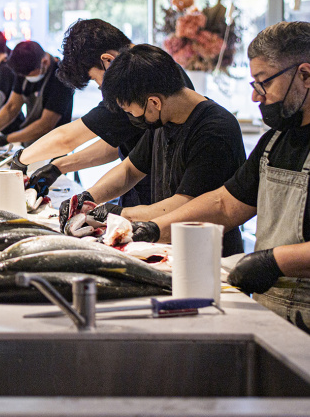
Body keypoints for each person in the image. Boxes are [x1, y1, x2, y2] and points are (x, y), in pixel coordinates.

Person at [132, 22, 310, 331]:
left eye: (263, 83)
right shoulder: (275, 142)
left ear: (305, 75)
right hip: (272, 317)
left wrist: (275, 261)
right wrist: (153, 229)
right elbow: (226, 205)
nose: (256, 97)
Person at [59, 44, 245, 257]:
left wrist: (118, 213)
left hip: (209, 258)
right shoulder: (163, 119)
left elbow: (185, 204)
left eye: (131, 112)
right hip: (169, 247)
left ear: (154, 102)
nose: (132, 118)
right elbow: (130, 169)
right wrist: (88, 197)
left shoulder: (215, 131)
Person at [22, 19, 193, 209]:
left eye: (95, 79)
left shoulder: (135, 81)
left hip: (162, 201)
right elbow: (115, 142)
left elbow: (67, 139)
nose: (101, 87)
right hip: (145, 194)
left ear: (108, 60)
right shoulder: (151, 68)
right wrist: (59, 166)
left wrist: (21, 159)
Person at [0, 40, 74, 147]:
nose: (26, 78)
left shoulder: (62, 78)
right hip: (30, 142)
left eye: (30, 75)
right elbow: (12, 106)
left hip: (55, 145)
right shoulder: (23, 68)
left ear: (44, 62)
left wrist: (6, 139)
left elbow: (45, 125)